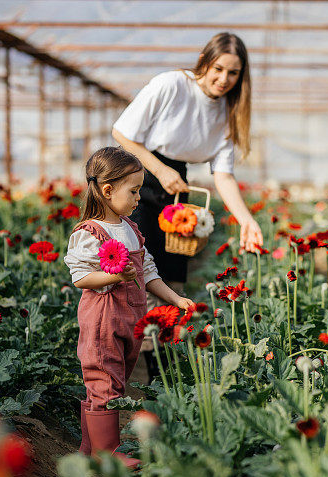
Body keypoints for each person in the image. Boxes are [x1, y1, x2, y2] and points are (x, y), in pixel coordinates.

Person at [112, 32, 263, 377]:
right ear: (204, 61)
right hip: (137, 177)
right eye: (218, 68)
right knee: (142, 273)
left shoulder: (229, 112)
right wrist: (160, 169)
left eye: (233, 73)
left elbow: (223, 176)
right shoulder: (171, 85)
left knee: (173, 280)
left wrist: (247, 220)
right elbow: (122, 133)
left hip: (175, 183)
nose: (224, 79)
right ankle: (137, 368)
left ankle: (159, 365)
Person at [63, 146, 193, 466]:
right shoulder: (90, 232)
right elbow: (80, 277)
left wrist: (176, 299)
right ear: (107, 191)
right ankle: (108, 454)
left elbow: (149, 272)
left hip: (130, 319)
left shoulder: (131, 229)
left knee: (113, 381)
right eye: (133, 191)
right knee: (104, 380)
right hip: (103, 320)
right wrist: (113, 274)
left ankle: (89, 447)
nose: (139, 197)